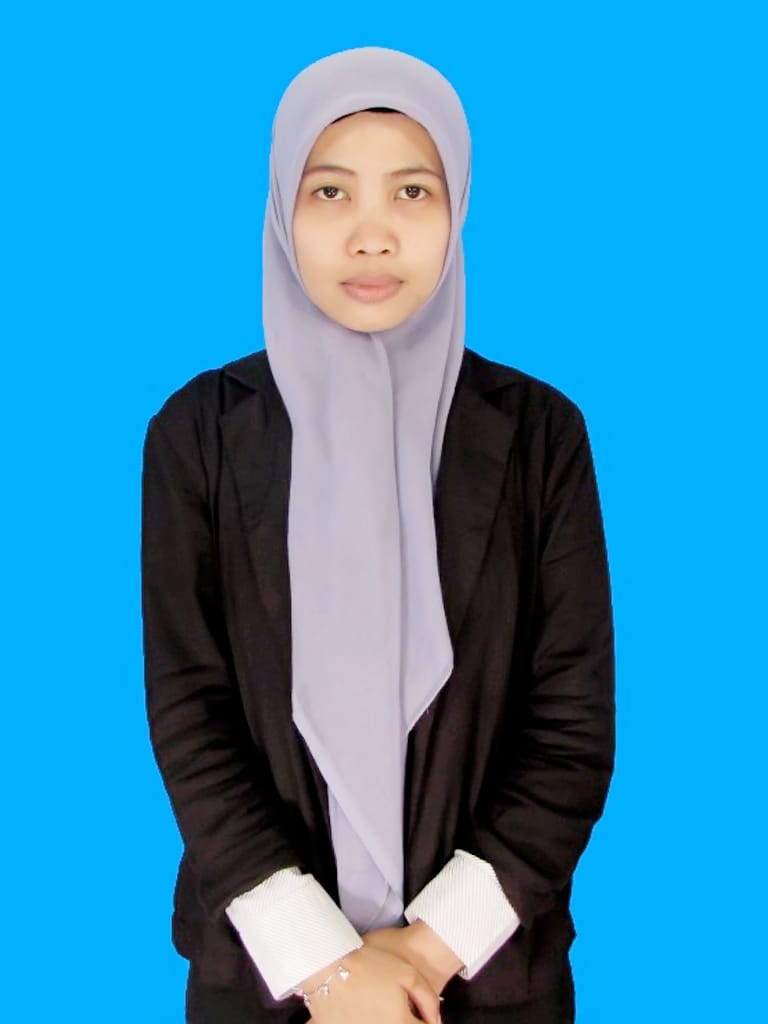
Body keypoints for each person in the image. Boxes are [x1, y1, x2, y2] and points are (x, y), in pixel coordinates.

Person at [140, 45, 615, 1024]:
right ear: (283, 209)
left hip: (491, 980)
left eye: (411, 191)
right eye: (330, 192)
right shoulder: (199, 434)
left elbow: (571, 725)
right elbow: (190, 710)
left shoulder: (539, 435)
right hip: (262, 976)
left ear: (457, 207)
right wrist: (328, 968)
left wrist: (427, 952)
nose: (372, 235)